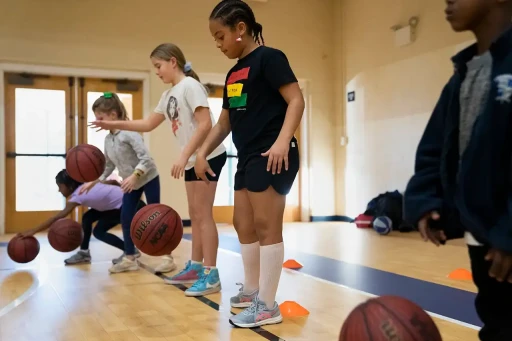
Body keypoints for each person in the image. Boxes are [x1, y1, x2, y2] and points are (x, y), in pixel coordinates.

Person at [403, 1, 512, 340]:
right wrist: (426, 201)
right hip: (485, 238)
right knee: (498, 325)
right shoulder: (465, 71)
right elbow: (438, 147)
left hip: (506, 234)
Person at [193, 0, 304, 328]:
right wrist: (202, 152)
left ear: (241, 28)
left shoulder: (270, 58)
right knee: (243, 224)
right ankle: (254, 290)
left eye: (220, 35)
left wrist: (284, 140)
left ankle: (268, 306)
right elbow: (224, 122)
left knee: (268, 226)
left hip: (272, 154)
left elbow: (296, 99)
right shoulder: (233, 73)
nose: (218, 43)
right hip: (248, 156)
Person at [89, 44, 227, 296]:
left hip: (208, 156)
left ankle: (211, 274)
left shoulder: (191, 87)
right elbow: (148, 124)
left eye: (158, 66)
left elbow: (206, 124)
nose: (157, 72)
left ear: (172, 61)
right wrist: (113, 123)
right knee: (195, 215)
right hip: (191, 159)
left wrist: (187, 154)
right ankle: (196, 267)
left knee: (204, 215)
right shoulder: (168, 95)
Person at [83, 92, 176, 274]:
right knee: (126, 218)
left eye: (100, 117)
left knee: (156, 219)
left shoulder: (129, 134)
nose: (97, 121)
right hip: (131, 183)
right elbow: (109, 165)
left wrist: (135, 176)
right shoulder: (108, 139)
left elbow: (147, 159)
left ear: (113, 115)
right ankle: (130, 257)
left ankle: (167, 258)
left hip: (147, 178)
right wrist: (94, 181)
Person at [19, 169, 135, 265]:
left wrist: (33, 231)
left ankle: (130, 250)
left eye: (60, 186)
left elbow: (56, 218)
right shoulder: (87, 185)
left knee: (99, 232)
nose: (59, 190)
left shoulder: (79, 195)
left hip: (127, 206)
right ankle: (84, 253)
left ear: (69, 186)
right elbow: (113, 182)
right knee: (88, 217)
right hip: (125, 202)